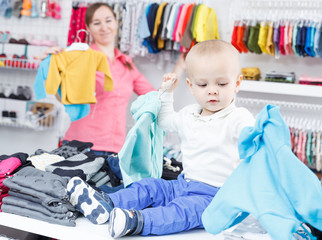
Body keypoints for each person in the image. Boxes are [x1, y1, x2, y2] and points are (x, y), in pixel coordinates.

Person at [65, 39, 255, 238]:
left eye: (222, 83)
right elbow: (165, 122)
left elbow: (250, 137)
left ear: (237, 83)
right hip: (183, 184)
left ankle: (135, 221)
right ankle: (106, 203)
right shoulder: (189, 114)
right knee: (150, 186)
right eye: (203, 84)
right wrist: (167, 95)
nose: (212, 90)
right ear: (191, 86)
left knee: (180, 212)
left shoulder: (238, 118)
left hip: (214, 197)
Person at [43, 2, 185, 180]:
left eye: (108, 20)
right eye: (97, 23)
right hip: (79, 146)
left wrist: (179, 68)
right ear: (88, 28)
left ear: (117, 23)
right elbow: (64, 97)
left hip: (114, 149)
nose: (104, 27)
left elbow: (155, 97)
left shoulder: (126, 63)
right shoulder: (80, 58)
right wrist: (52, 70)